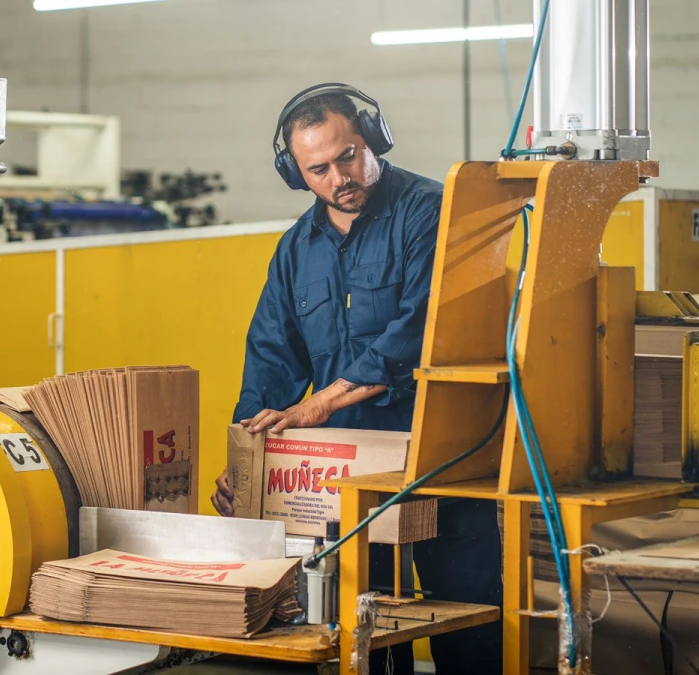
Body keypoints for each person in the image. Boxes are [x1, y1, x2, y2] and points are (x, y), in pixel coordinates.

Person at [211, 84, 503, 675]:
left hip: (443, 462)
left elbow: (419, 329)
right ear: (297, 174)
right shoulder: (297, 249)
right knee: (362, 635)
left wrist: (318, 405)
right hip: (346, 483)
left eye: (348, 155)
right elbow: (270, 355)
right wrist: (245, 460)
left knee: (469, 628)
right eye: (317, 168)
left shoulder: (433, 212)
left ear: (372, 137)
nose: (339, 176)